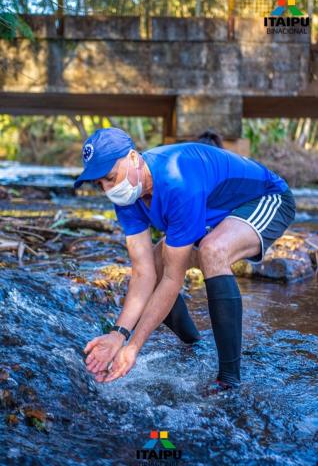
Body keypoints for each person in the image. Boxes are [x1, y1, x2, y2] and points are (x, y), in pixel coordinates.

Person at [74, 127, 296, 392]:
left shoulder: (176, 179)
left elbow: (172, 279)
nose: (109, 189)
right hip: (213, 210)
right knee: (156, 262)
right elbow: (144, 273)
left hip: (266, 198)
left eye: (111, 177)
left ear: (133, 158)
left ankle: (228, 379)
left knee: (213, 250)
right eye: (101, 184)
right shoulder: (127, 198)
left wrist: (133, 347)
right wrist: (117, 334)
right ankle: (193, 342)